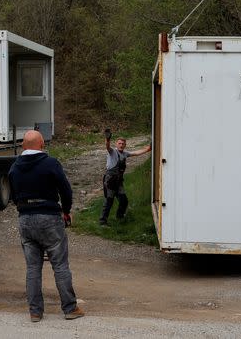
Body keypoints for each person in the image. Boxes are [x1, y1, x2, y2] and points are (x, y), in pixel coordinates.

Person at [8, 130, 84, 323]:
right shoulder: (51, 163)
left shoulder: (15, 167)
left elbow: (12, 194)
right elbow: (65, 189)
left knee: (33, 268)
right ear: (42, 144)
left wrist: (23, 207)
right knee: (60, 265)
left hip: (25, 219)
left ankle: (35, 312)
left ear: (24, 146)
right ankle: (70, 308)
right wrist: (66, 210)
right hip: (49, 218)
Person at [99, 129, 151, 225]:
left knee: (124, 200)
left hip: (118, 182)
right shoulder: (112, 152)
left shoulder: (125, 153)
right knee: (108, 202)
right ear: (116, 144)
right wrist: (107, 138)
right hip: (110, 181)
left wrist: (148, 149)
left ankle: (120, 217)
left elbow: (136, 153)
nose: (121, 145)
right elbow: (107, 146)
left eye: (123, 143)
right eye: (119, 143)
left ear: (125, 145)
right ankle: (102, 221)